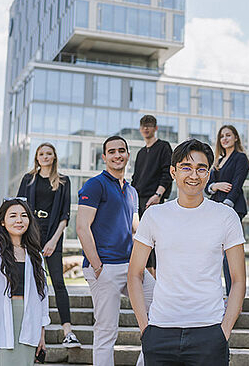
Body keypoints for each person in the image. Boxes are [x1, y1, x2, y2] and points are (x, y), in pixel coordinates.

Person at [129, 139, 247, 365]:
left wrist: (224, 331)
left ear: (208, 173)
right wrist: (145, 329)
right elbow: (135, 272)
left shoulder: (226, 217)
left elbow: (239, 279)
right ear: (173, 172)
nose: (194, 175)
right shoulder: (155, 215)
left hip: (209, 331)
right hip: (160, 331)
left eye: (201, 168)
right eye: (186, 167)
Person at [76, 135, 155, 366]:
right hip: (105, 267)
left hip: (131, 266)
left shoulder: (132, 191)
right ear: (104, 157)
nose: (117, 155)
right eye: (112, 151)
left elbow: (136, 229)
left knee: (161, 309)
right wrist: (98, 267)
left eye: (121, 150)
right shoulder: (95, 185)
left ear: (128, 155)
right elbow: (82, 227)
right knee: (106, 330)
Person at [16, 142, 80, 348]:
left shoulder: (63, 181)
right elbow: (19, 207)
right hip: (30, 234)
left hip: (53, 234)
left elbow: (65, 215)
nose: (45, 157)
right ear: (37, 157)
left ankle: (68, 332)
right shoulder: (28, 179)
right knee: (29, 281)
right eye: (41, 154)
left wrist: (53, 240)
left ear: (54, 157)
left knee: (58, 283)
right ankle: (26, 329)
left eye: (48, 154)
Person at [0, 198, 50, 365]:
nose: (19, 220)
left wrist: (41, 335)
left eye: (24, 215)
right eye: (13, 216)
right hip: (2, 321)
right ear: (2, 222)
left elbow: (42, 296)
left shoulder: (35, 255)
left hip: (30, 322)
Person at [205, 124, 249, 294]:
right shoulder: (218, 161)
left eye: (228, 135)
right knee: (215, 252)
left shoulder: (241, 158)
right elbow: (207, 186)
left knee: (230, 252)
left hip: (232, 208)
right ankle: (216, 292)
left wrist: (226, 207)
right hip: (216, 209)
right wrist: (216, 185)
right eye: (222, 136)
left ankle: (233, 294)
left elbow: (237, 184)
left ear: (236, 138)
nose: (224, 138)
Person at [131, 114, 173, 277]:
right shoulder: (141, 153)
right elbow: (136, 178)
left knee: (157, 238)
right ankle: (147, 276)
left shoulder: (163, 147)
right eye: (143, 126)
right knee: (143, 238)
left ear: (155, 128)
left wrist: (158, 195)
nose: (145, 128)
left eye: (149, 125)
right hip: (139, 200)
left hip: (155, 199)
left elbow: (167, 173)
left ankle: (158, 276)